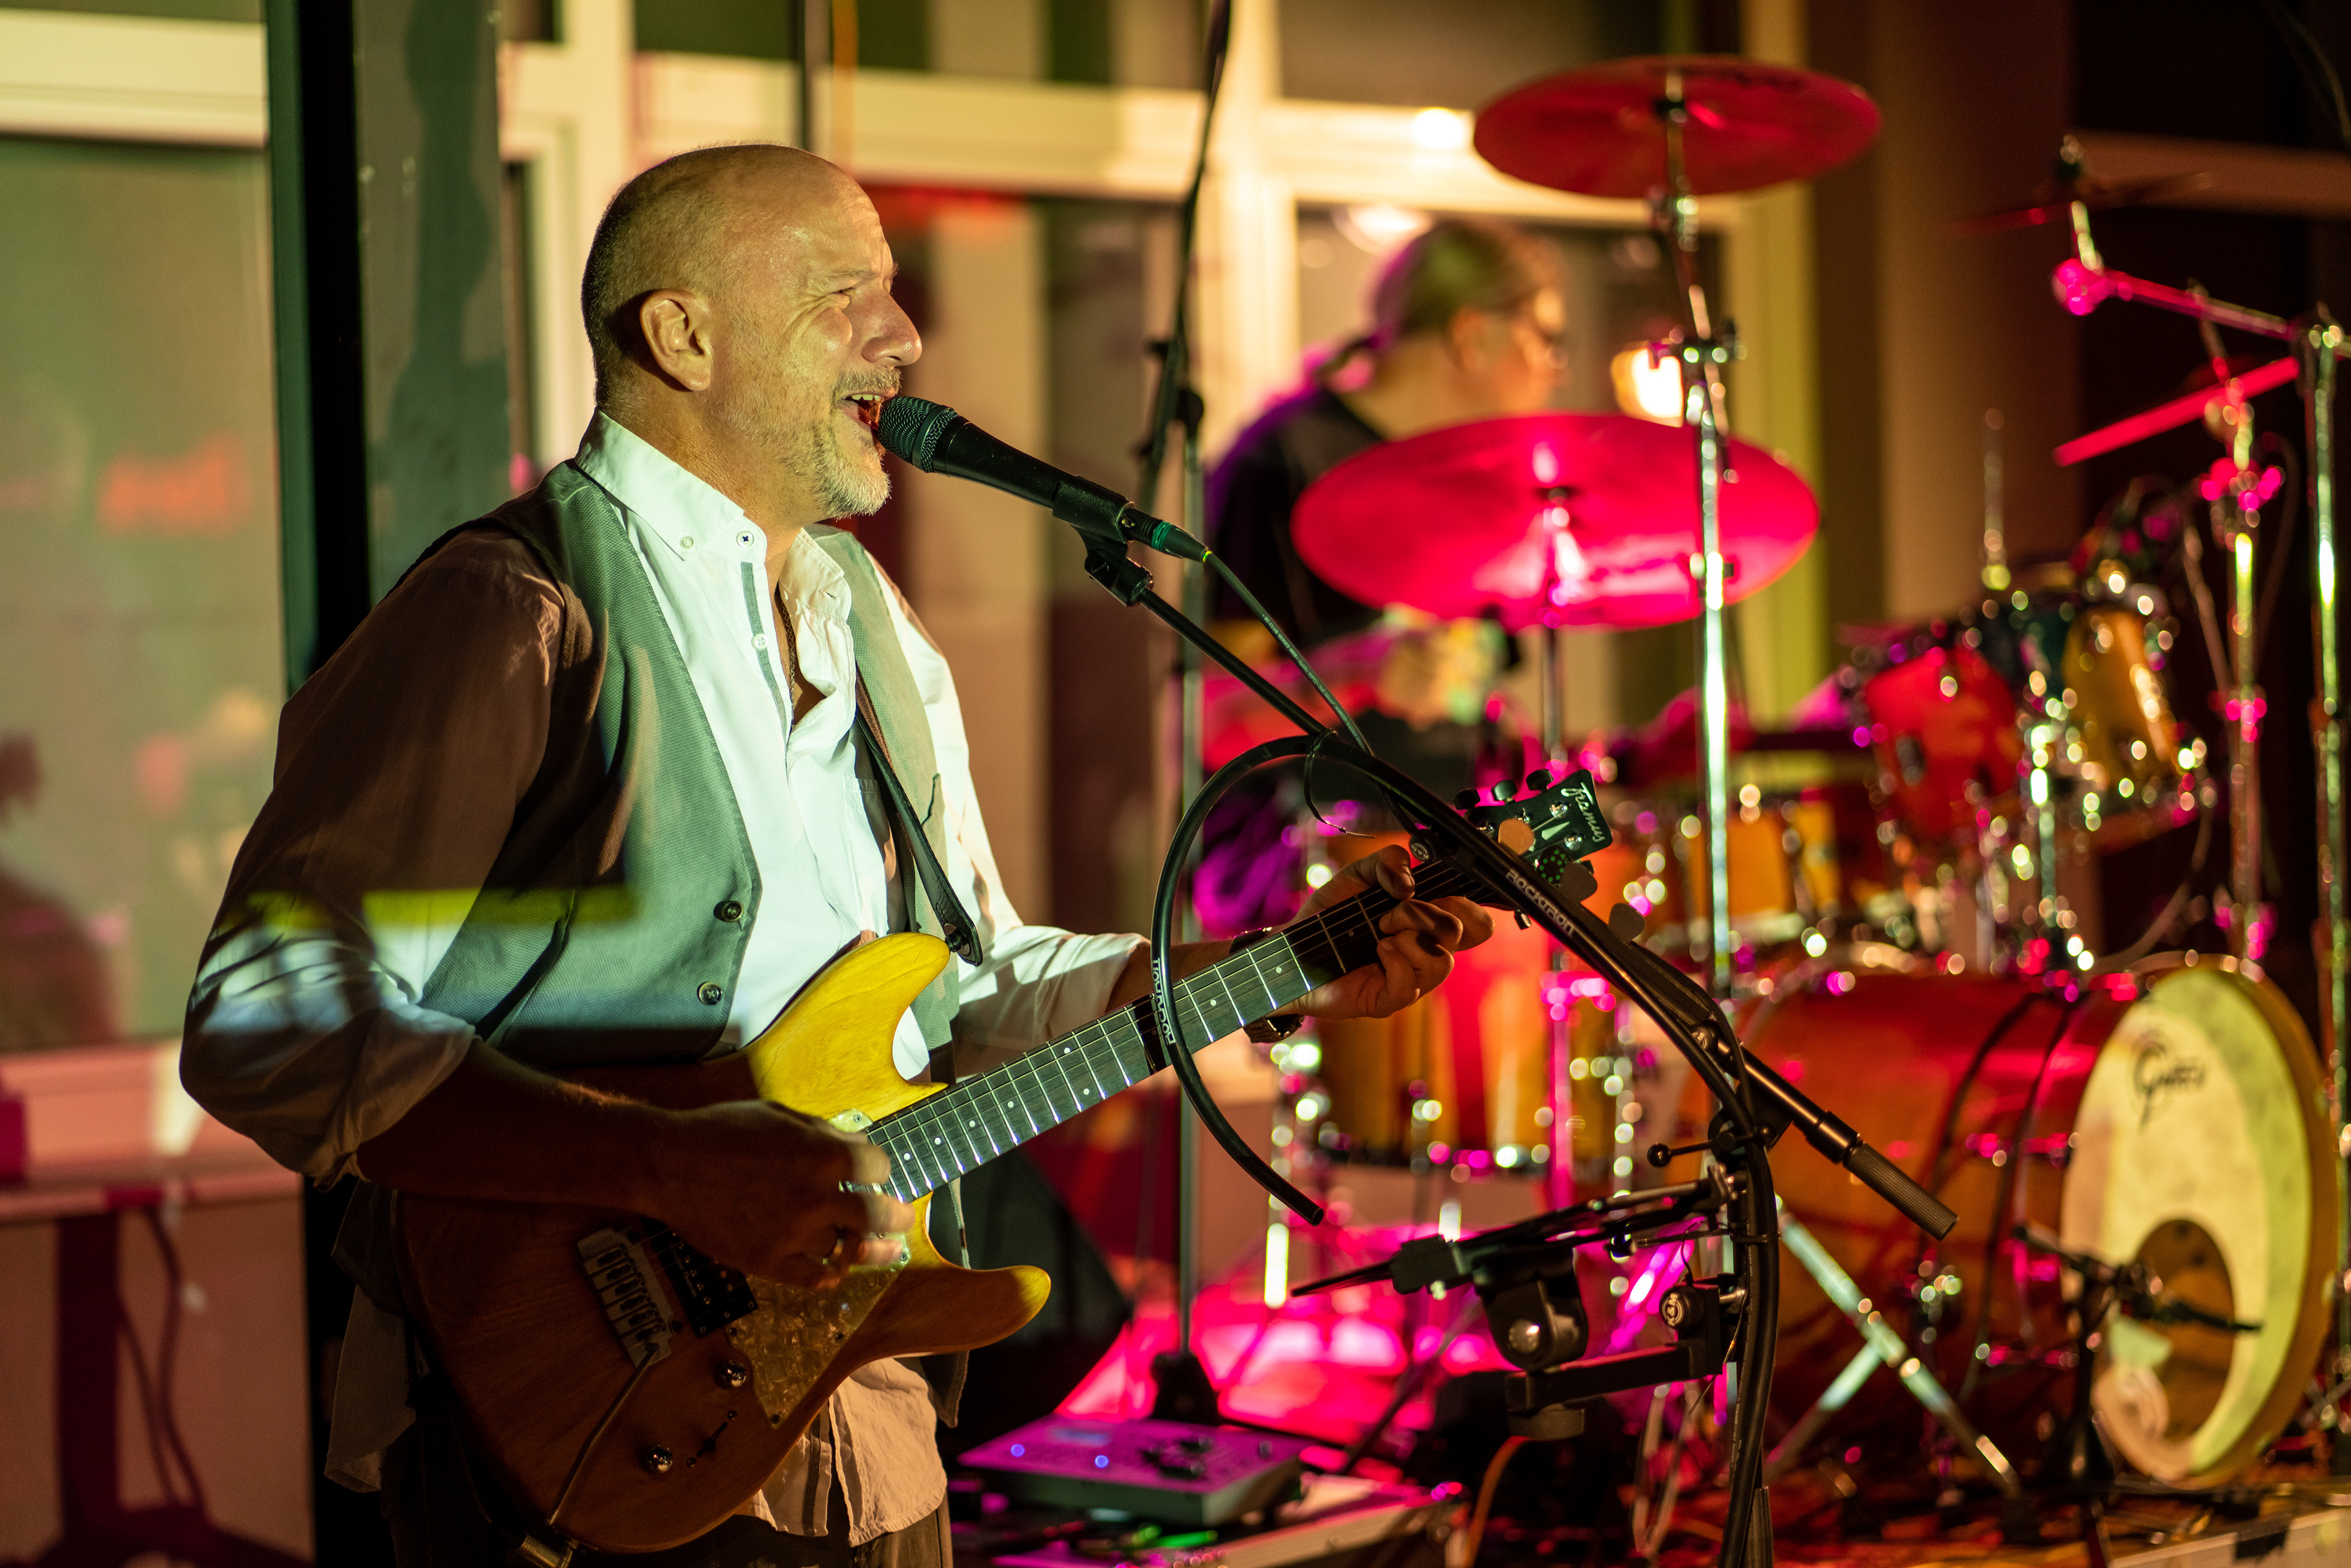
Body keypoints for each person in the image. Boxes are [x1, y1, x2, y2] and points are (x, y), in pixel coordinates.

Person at [181, 144, 1490, 1568]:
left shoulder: (868, 618)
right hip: (579, 1436)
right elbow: (267, 1018)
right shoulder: (514, 605)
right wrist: (669, 1166)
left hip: (869, 1428)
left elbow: (970, 980)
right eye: (843, 296)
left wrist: (1268, 967)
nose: (906, 337)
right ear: (682, 335)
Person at [1196, 217, 1569, 935]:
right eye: (1545, 338)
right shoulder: (1280, 462)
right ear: (1472, 336)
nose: (1557, 369)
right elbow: (1211, 719)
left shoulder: (1486, 481)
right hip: (1310, 885)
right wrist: (1358, 674)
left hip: (1455, 865)